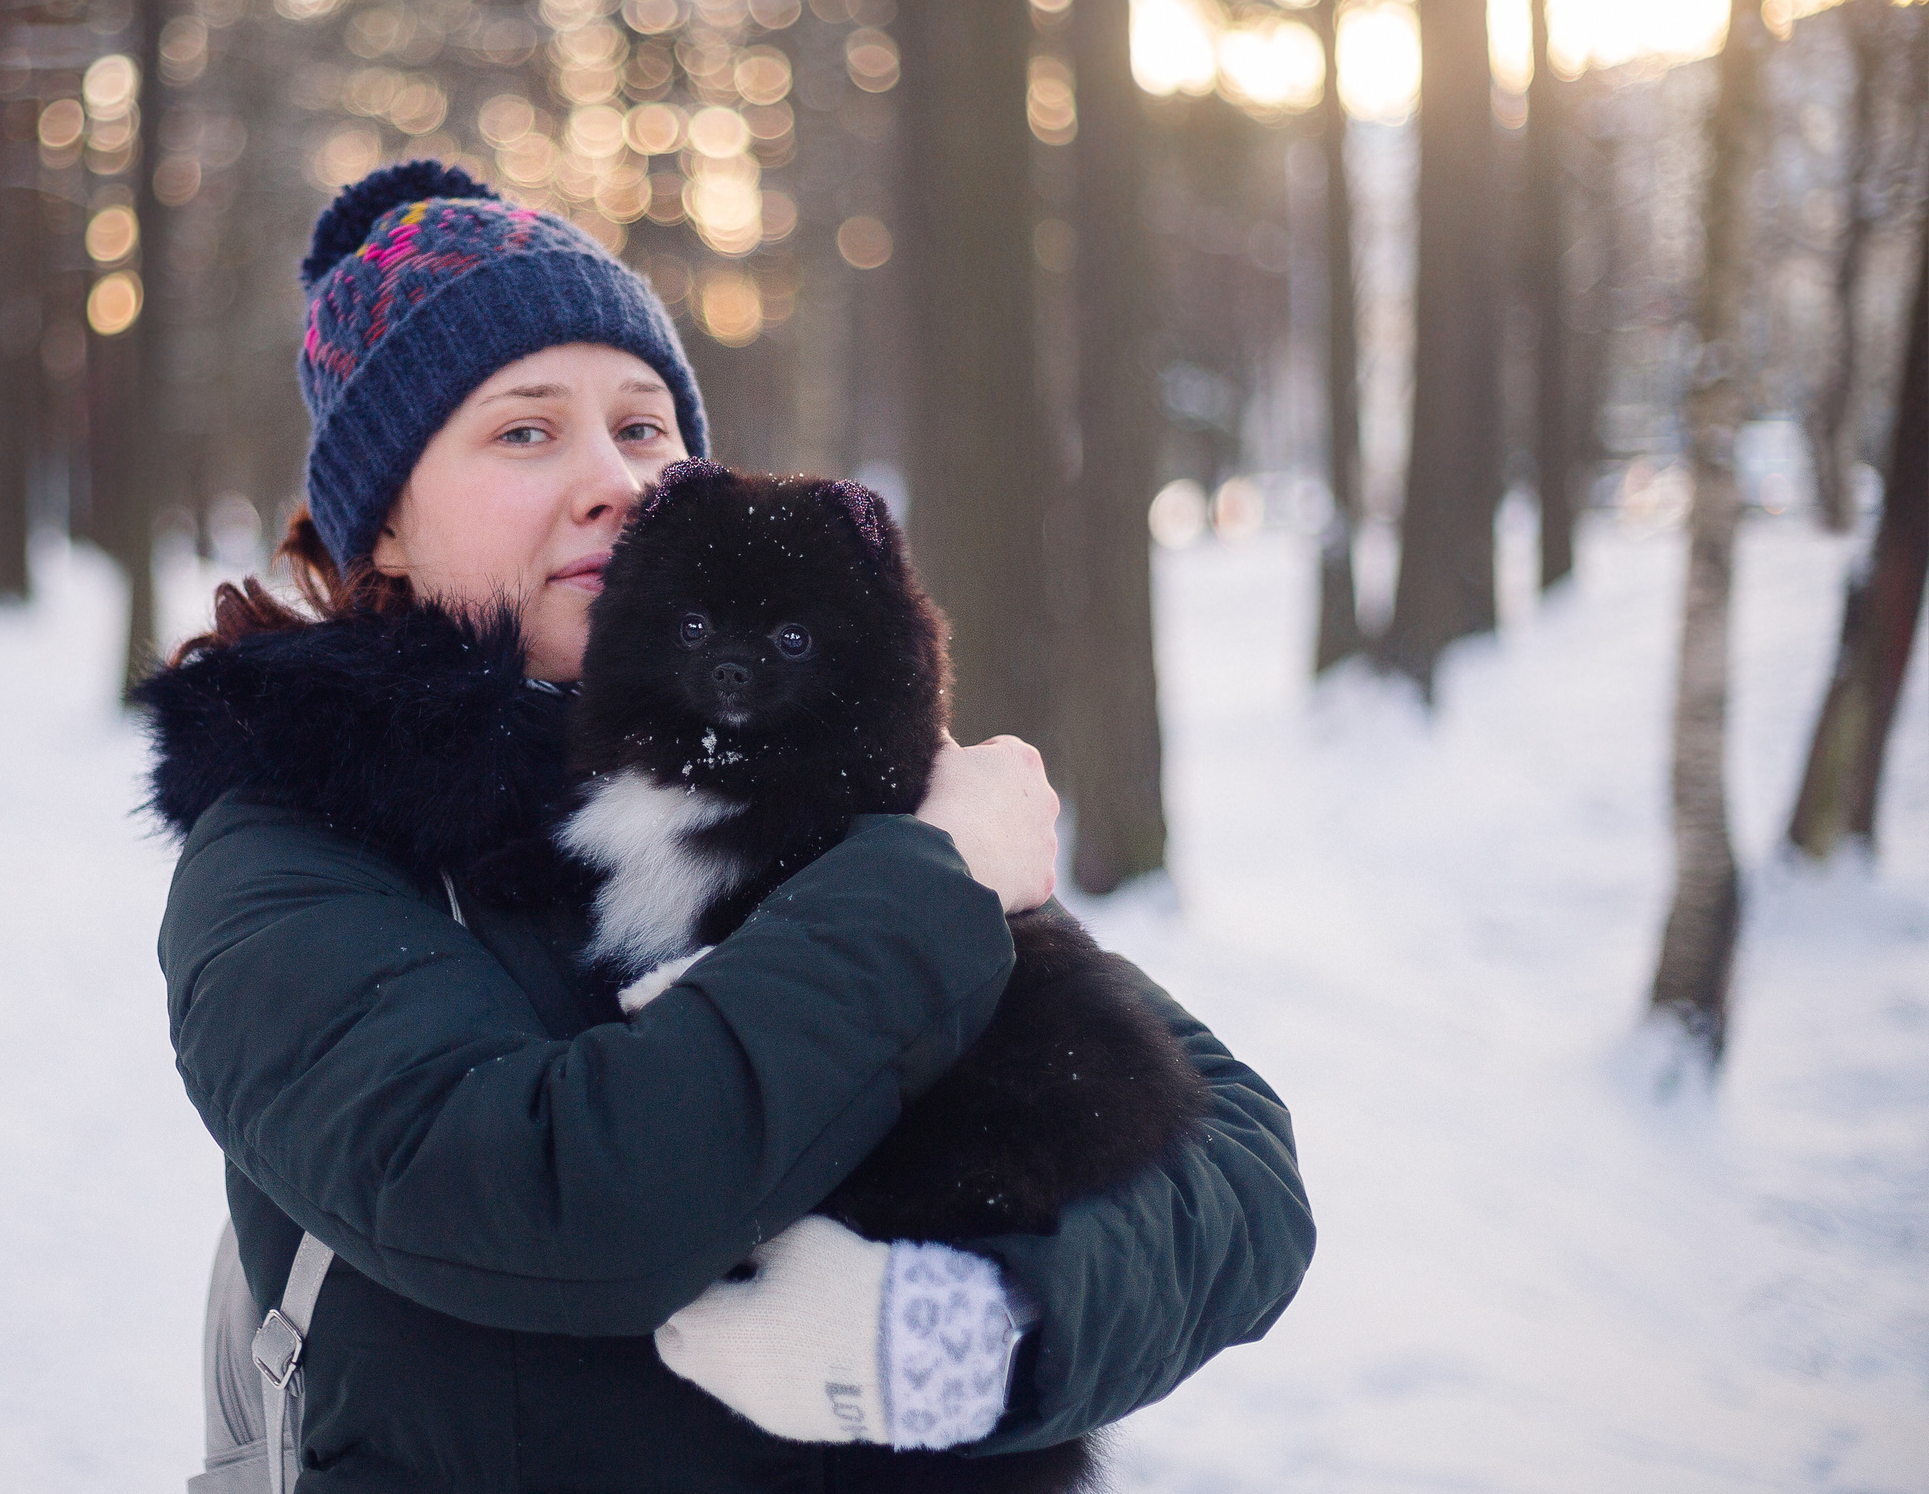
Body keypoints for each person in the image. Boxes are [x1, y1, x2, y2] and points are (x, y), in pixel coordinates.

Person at [138, 162, 1313, 1489]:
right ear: (386, 526)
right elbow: (547, 1200)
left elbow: (1235, 1169)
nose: (614, 481)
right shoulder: (290, 853)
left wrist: (982, 1332)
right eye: (526, 432)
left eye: (643, 427)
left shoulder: (808, 771)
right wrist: (932, 882)